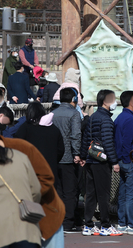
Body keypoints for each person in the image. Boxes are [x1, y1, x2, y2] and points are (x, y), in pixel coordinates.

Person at [80, 90, 122, 237]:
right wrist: (114, 161)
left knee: (91, 194)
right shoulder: (106, 120)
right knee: (103, 195)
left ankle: (88, 225)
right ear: (105, 101)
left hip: (91, 160)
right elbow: (108, 142)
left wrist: (83, 156)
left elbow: (86, 138)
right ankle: (105, 225)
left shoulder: (92, 117)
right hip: (101, 161)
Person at [15, 102, 65, 190]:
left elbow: (16, 147)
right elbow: (61, 150)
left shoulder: (25, 128)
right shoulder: (54, 129)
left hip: (30, 171)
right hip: (50, 170)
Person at [52, 88, 82, 231]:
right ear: (74, 100)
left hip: (55, 158)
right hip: (69, 158)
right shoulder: (74, 114)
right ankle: (68, 222)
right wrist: (77, 153)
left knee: (58, 191)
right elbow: (75, 135)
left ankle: (57, 220)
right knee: (70, 191)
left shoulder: (52, 113)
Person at [115, 91, 133, 235]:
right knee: (131, 195)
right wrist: (128, 159)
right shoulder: (130, 119)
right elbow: (127, 142)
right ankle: (131, 225)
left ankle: (122, 223)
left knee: (123, 194)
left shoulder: (120, 117)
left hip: (122, 160)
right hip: (130, 161)